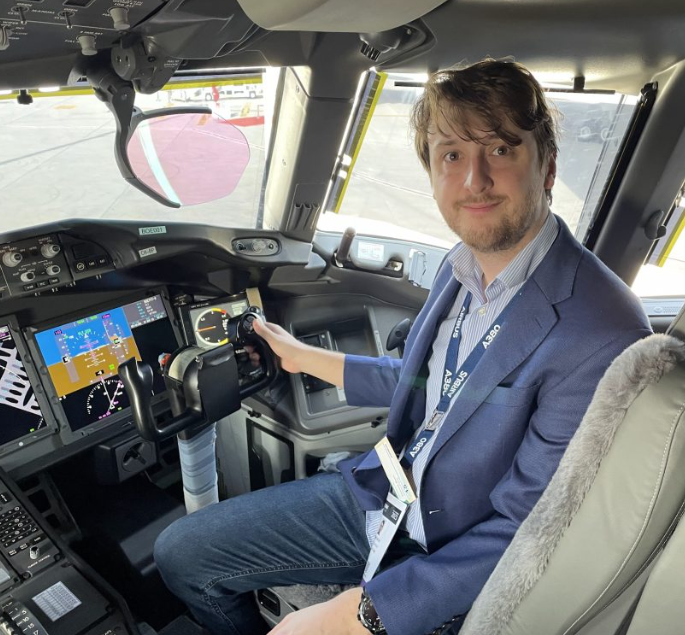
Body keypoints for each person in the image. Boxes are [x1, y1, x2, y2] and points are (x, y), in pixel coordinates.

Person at [154, 59, 651, 635]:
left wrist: (359, 615)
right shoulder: (462, 266)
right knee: (182, 555)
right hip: (382, 494)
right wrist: (302, 357)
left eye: (500, 150)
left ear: (546, 167)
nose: (474, 181)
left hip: (453, 549)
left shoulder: (602, 331)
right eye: (452, 156)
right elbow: (430, 383)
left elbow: (533, 528)